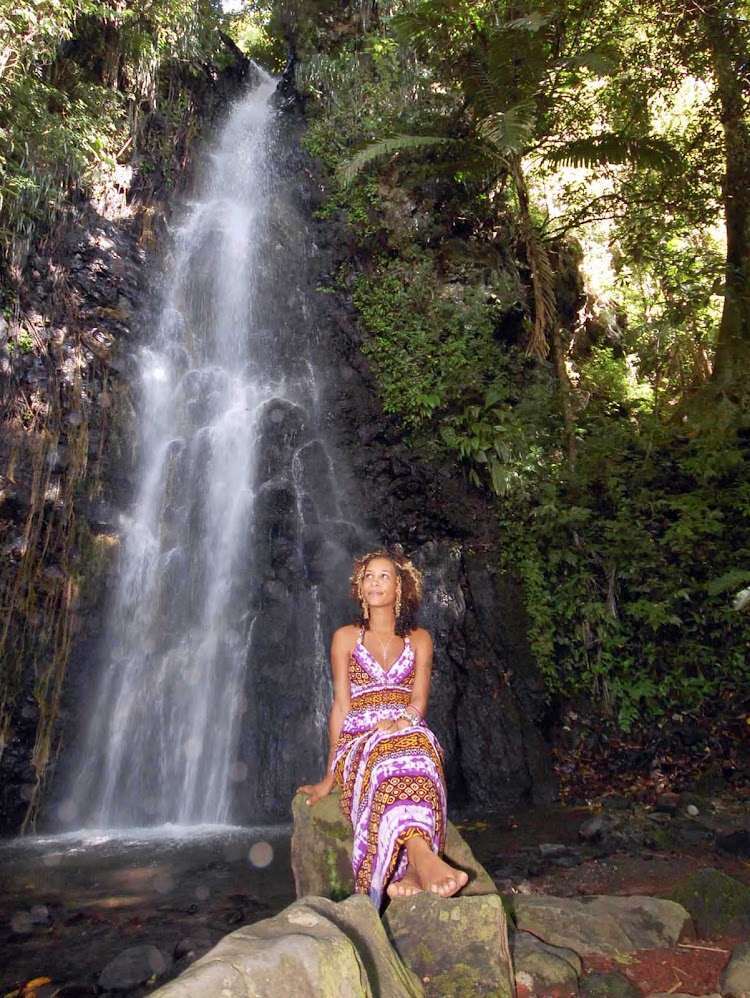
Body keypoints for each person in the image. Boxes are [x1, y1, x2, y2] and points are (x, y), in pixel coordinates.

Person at [297, 549, 469, 908]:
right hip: (360, 739)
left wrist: (402, 721)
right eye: (368, 577)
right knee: (391, 749)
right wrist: (330, 775)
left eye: (384, 576)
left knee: (419, 743)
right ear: (360, 589)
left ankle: (412, 868)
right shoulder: (345, 638)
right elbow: (341, 706)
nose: (374, 582)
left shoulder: (420, 639)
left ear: (401, 587)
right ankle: (423, 860)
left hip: (406, 728)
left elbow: (419, 700)